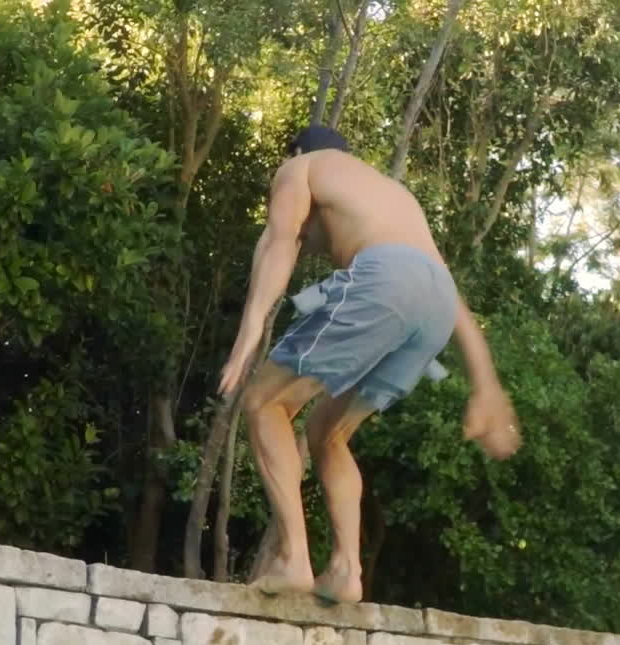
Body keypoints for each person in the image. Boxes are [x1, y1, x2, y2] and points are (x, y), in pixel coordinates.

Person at [217, 126, 522, 604]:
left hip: (386, 281)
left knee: (264, 403)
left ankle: (294, 559)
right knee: (328, 433)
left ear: (298, 151)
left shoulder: (300, 168)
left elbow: (280, 243)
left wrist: (250, 328)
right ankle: (345, 571)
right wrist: (485, 385)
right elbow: (450, 294)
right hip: (435, 305)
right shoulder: (393, 194)